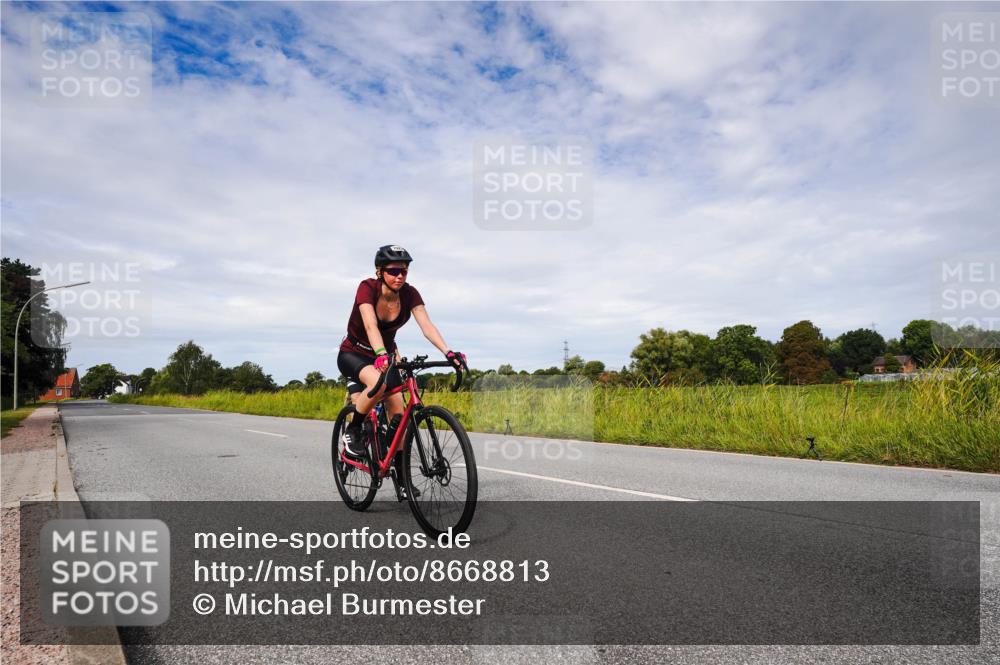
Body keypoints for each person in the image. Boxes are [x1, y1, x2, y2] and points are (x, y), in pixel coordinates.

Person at [337, 245, 467, 462]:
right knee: (379, 385)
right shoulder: (367, 288)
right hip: (355, 353)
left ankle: (401, 478)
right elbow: (371, 326)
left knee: (398, 413)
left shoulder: (409, 293)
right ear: (379, 271)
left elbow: (427, 326)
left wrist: (449, 352)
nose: (399, 276)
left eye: (403, 271)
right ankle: (354, 430)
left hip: (385, 356)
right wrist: (380, 352)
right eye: (393, 271)